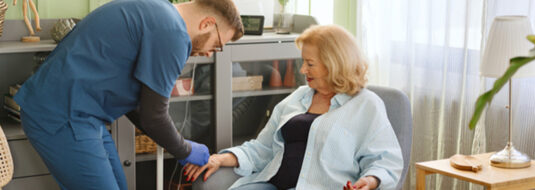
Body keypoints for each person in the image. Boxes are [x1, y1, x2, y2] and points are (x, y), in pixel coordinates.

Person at [13, 0, 243, 189]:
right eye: (217, 45)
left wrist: (180, 146)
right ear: (207, 23)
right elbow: (154, 116)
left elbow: (142, 108)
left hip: (83, 115)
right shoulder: (172, 33)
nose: (210, 53)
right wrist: (186, 150)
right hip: (61, 116)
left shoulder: (158, 12)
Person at [184, 25, 403, 190]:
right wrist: (220, 158)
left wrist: (371, 180)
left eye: (310, 64)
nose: (302, 70)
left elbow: (385, 160)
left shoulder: (366, 104)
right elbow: (263, 148)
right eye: (303, 62)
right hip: (274, 183)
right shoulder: (298, 97)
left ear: (334, 63)